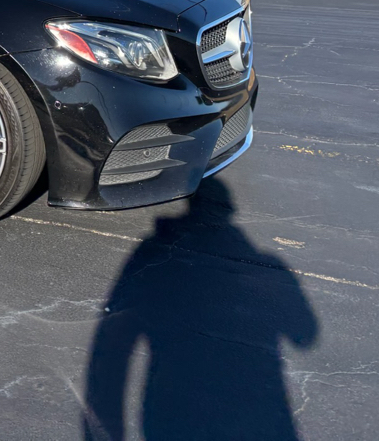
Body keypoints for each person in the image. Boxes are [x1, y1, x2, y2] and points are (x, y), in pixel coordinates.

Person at [83, 178, 318, 440]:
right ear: (227, 210)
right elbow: (305, 335)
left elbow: (115, 341)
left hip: (170, 403)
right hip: (255, 408)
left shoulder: (151, 248)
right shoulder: (268, 263)